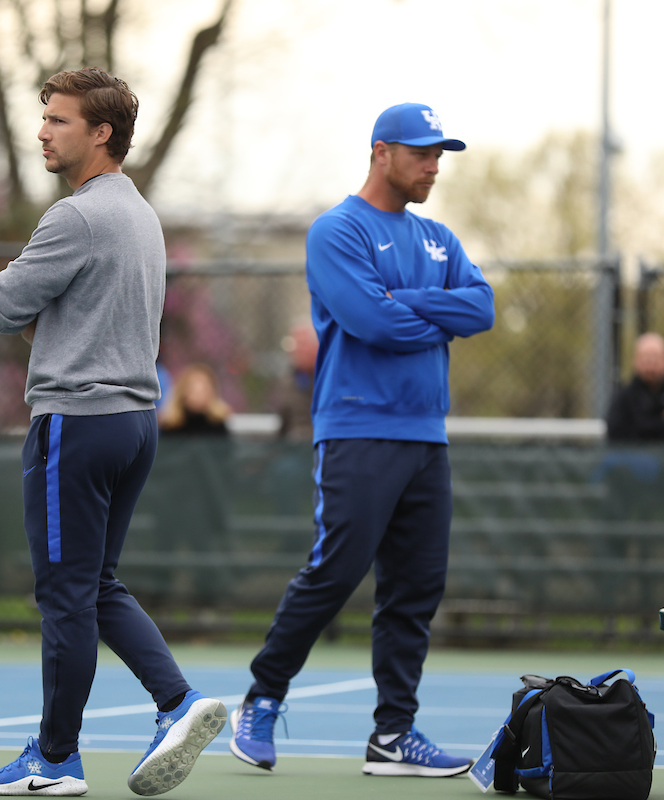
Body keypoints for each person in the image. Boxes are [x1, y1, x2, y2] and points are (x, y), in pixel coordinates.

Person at [0, 67, 225, 798]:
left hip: (76, 427)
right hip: (134, 426)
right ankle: (175, 700)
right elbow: (91, 319)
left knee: (65, 596)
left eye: (58, 119)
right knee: (94, 584)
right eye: (44, 117)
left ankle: (56, 759)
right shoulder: (140, 214)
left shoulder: (74, 217)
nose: (43, 131)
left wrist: (30, 310)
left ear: (100, 132)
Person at [228, 103, 494, 778]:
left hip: (425, 436)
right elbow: (375, 325)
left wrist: (405, 300)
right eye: (422, 153)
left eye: (440, 154)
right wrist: (431, 311)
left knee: (416, 588)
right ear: (382, 152)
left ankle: (392, 736)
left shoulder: (438, 238)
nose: (435, 165)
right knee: (335, 572)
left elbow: (483, 307)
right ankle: (261, 699)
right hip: (357, 429)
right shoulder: (336, 231)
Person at [605, 332, 664, 442]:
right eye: (645, 358)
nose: (650, 364)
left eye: (655, 357)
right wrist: (663, 421)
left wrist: (643, 423)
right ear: (635, 361)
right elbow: (617, 431)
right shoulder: (624, 396)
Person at [158, 363, 231, 436]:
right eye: (194, 390)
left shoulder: (217, 425)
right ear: (183, 392)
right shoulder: (171, 427)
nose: (198, 396)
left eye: (203, 390)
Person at [275, 320, 318, 443]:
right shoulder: (285, 382)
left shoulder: (328, 380)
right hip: (294, 449)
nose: (297, 350)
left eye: (303, 344)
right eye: (294, 344)